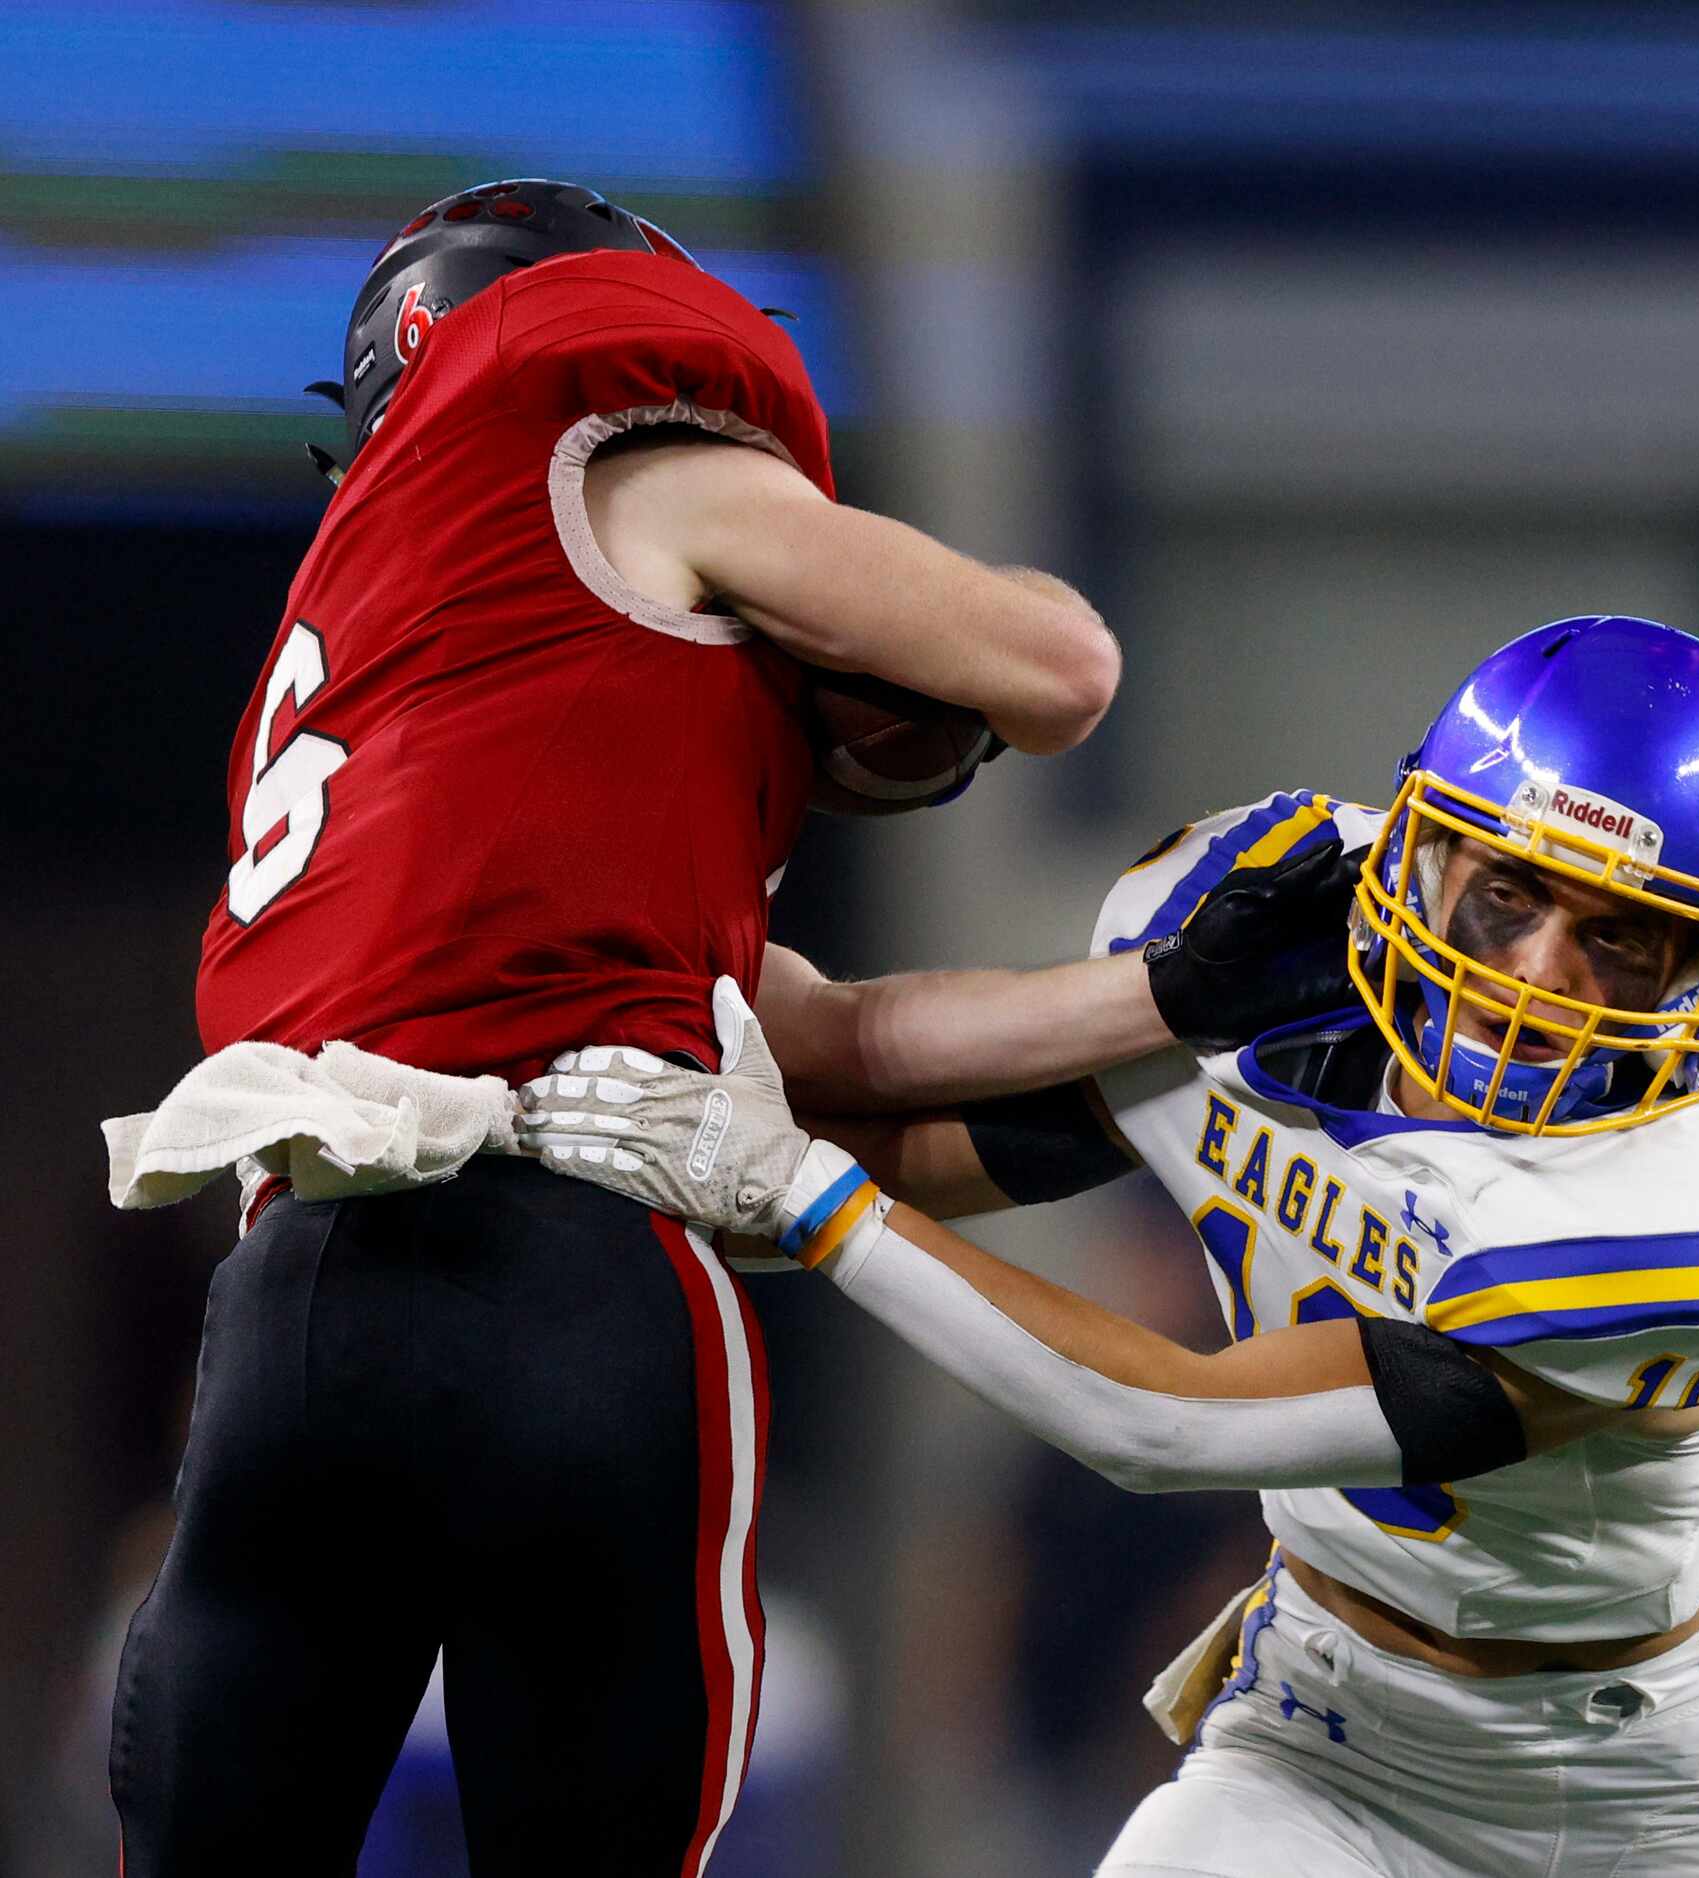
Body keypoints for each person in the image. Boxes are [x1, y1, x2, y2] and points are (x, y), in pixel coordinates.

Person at [103, 177, 1121, 1875]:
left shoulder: (396, 667)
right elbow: (1057, 669)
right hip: (567, 1290)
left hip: (290, 1313)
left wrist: (1169, 1007)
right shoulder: (636, 452)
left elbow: (840, 1037)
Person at [524, 616, 1699, 1877]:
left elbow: (1166, 1423)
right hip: (1323, 1737)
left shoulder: (1680, 1218)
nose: (1534, 972)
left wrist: (799, 1192)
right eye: (1506, 895)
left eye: (1618, 936)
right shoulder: (1278, 943)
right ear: (1423, 854)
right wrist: (620, 1136)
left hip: (1629, 1797)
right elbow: (957, 1150)